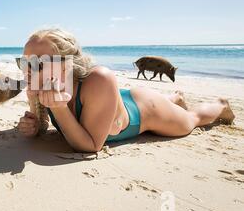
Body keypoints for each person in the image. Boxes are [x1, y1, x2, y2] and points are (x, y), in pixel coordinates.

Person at [17, 28, 235, 152]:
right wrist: (34, 126)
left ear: (66, 65)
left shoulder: (99, 78)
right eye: (24, 62)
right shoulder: (39, 84)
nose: (28, 70)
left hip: (144, 111)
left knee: (191, 119)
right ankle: (174, 97)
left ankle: (221, 105)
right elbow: (43, 123)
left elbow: (91, 146)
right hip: (108, 102)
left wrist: (61, 109)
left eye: (39, 63)